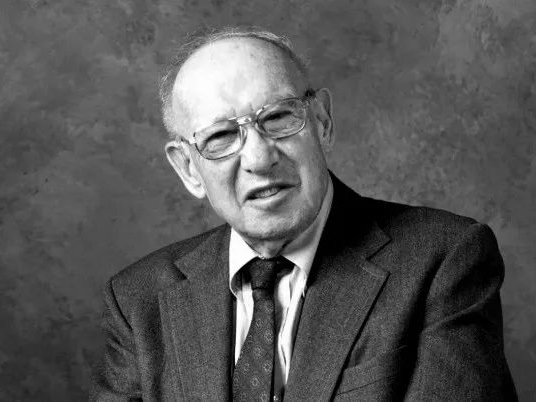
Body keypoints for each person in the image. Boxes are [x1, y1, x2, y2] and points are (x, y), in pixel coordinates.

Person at [91, 26, 517, 401]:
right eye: (221, 136)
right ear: (188, 168)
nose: (259, 158)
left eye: (278, 117)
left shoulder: (443, 260)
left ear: (322, 121)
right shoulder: (138, 300)